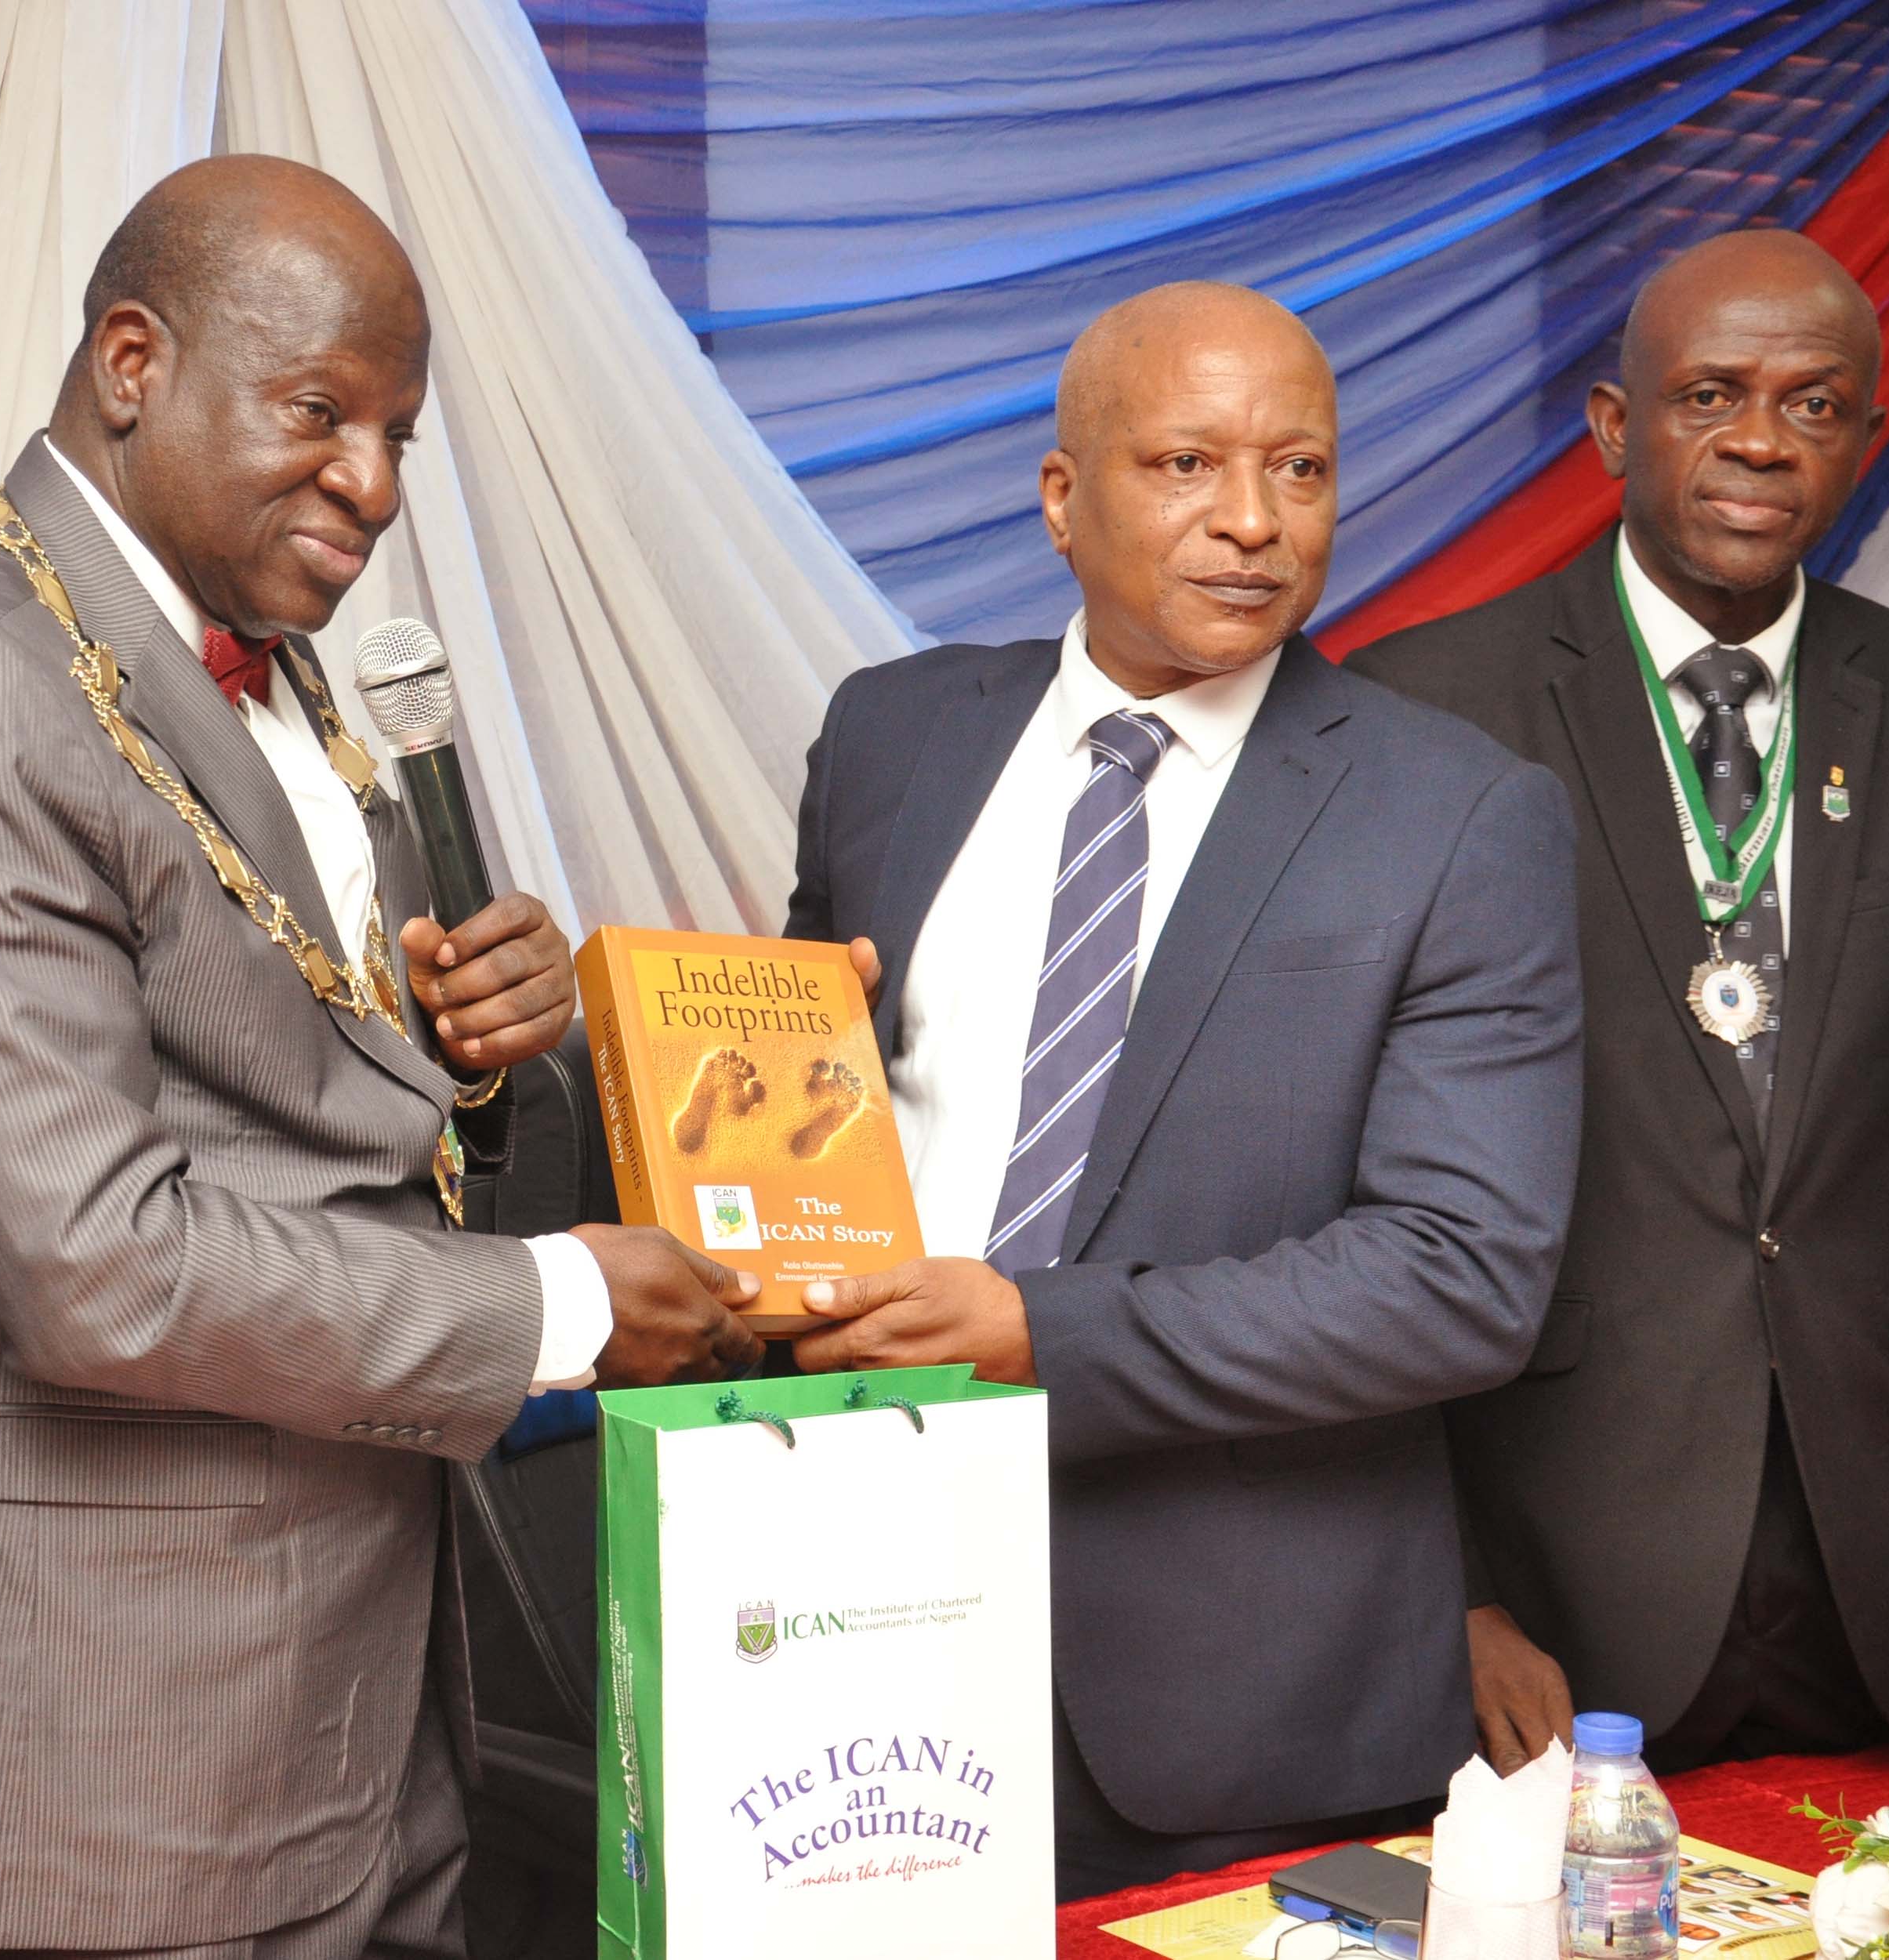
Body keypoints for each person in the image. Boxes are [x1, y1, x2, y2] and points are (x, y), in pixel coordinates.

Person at [0, 156, 761, 1959]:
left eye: (398, 435)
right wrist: (561, 1309)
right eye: (320, 414)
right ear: (133, 361)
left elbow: (293, 1096)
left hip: (381, 1667)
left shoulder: (261, 652)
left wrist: (467, 1050)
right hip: (137, 1727)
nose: (374, 488)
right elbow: (98, 1264)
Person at [780, 281, 1584, 1893]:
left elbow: (1459, 1281)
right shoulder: (894, 734)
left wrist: (1036, 1330)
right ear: (1066, 498)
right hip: (844, 1609)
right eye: (1186, 466)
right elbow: (808, 1102)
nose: (1254, 524)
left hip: (1236, 1704)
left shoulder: (1457, 817)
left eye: (1301, 471)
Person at [1349, 228, 1889, 1774]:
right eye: (1710, 394)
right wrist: (1438, 1592)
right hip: (1552, 1576)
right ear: (1612, 427)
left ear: (1864, 432)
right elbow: (1343, 1201)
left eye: (1813, 403)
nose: (1760, 442)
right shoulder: (1424, 707)